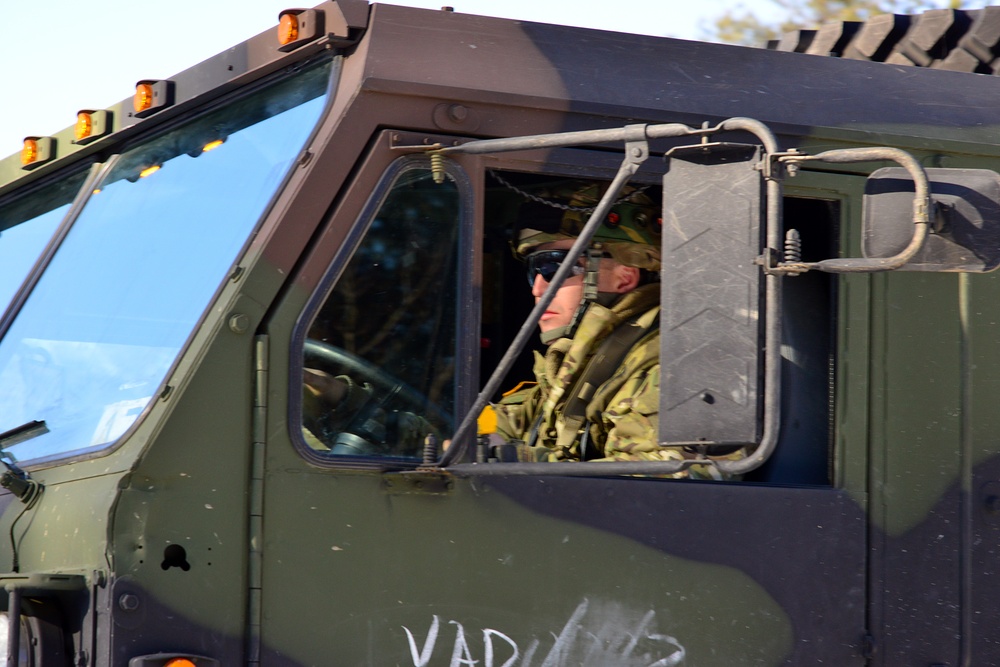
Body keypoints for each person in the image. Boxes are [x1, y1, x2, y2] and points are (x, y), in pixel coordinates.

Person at [491, 181, 743, 478]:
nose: (538, 288)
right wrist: (431, 433)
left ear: (624, 277)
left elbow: (670, 481)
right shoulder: (580, 366)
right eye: (533, 270)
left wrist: (516, 461)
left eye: (553, 267)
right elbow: (506, 423)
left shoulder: (672, 368)